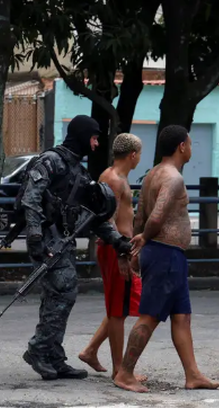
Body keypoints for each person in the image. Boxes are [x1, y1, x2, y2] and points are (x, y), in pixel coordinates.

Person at [20, 114, 133, 381]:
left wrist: (117, 240)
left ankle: (53, 356)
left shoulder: (78, 173)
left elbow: (92, 216)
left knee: (57, 296)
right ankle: (39, 349)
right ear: (82, 136)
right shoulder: (51, 161)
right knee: (64, 291)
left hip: (63, 241)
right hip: (47, 240)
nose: (95, 145)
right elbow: (30, 198)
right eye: (94, 138)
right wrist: (35, 237)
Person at [112, 125, 219, 394]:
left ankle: (193, 374)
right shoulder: (173, 178)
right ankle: (125, 373)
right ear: (181, 147)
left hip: (167, 254)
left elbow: (140, 214)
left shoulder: (151, 174)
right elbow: (157, 215)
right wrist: (145, 240)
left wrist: (137, 245)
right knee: (149, 316)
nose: (192, 148)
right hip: (165, 253)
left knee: (182, 316)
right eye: (190, 143)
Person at [78, 133, 145, 380]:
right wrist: (120, 253)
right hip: (115, 249)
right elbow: (107, 220)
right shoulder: (113, 179)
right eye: (139, 153)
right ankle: (120, 370)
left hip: (121, 247)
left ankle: (90, 350)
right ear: (133, 155)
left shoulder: (118, 177)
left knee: (122, 306)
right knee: (117, 310)